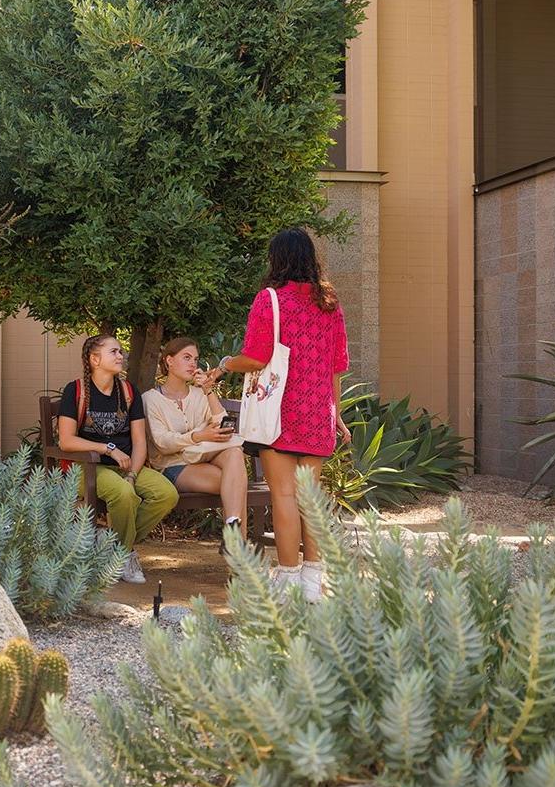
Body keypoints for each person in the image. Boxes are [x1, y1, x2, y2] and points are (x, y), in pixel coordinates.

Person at [208, 227, 350, 601]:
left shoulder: (270, 300)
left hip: (280, 414)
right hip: (318, 412)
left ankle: (288, 579)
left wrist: (225, 364)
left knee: (284, 497)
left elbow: (256, 357)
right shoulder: (330, 303)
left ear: (278, 259)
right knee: (310, 499)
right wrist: (336, 415)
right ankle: (312, 583)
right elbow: (338, 366)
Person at [57, 334, 179, 584]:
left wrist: (133, 473)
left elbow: (139, 442)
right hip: (87, 467)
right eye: (113, 351)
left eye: (121, 351)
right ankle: (124, 555)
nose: (120, 356)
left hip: (127, 466)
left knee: (167, 494)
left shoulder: (128, 391)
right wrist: (108, 448)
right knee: (123, 494)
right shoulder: (76, 391)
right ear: (94, 359)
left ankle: (111, 541)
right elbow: (66, 441)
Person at [142, 337, 248, 538]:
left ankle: (233, 533)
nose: (193, 364)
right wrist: (199, 435)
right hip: (173, 465)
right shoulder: (151, 399)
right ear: (169, 361)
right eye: (186, 357)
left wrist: (208, 390)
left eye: (195, 359)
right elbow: (163, 443)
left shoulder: (200, 394)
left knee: (234, 453)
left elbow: (222, 422)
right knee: (236, 483)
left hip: (204, 456)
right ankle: (238, 548)